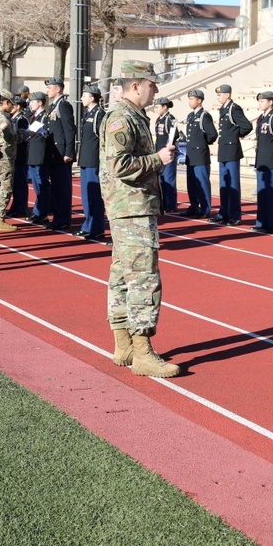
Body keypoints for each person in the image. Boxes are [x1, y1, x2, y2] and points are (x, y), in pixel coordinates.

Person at [100, 61, 180, 378]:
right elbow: (120, 165)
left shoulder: (132, 116)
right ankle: (143, 351)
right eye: (152, 84)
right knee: (143, 277)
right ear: (136, 85)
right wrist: (157, 159)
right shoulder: (122, 117)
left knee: (122, 275)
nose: (156, 90)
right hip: (131, 209)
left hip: (129, 207)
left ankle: (124, 344)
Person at [209, 84, 253, 225]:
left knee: (233, 184)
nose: (218, 97)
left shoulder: (234, 108)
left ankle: (235, 215)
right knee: (224, 184)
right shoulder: (224, 109)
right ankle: (223, 213)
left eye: (220, 95)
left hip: (231, 150)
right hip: (224, 150)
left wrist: (235, 136)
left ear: (227, 95)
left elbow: (247, 126)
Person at [77, 85, 107, 241]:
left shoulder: (99, 114)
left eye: (84, 95)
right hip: (86, 159)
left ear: (92, 98)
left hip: (94, 160)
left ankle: (97, 228)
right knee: (86, 195)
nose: (82, 98)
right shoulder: (88, 113)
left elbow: (103, 139)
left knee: (94, 196)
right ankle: (88, 225)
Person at [252, 91, 273, 234]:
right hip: (261, 162)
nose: (260, 103)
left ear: (270, 102)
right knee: (262, 193)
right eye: (259, 101)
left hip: (272, 162)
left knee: (272, 194)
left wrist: (271, 151)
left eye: (262, 101)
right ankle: (262, 222)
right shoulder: (261, 118)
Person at [46, 77, 76, 230]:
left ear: (58, 89)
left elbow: (70, 130)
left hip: (62, 153)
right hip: (54, 154)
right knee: (57, 188)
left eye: (50, 87)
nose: (47, 90)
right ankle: (58, 217)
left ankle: (63, 219)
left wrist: (69, 152)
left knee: (63, 189)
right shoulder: (53, 106)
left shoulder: (63, 106)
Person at [182, 89, 217, 218]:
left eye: (192, 99)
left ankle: (205, 208)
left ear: (199, 100)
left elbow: (212, 134)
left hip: (200, 155)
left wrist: (202, 144)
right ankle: (194, 206)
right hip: (191, 155)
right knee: (191, 183)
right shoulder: (191, 116)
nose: (190, 101)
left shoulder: (204, 116)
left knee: (202, 182)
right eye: (189, 99)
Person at [25, 91, 53, 225]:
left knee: (41, 184)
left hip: (40, 155)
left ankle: (42, 213)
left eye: (33, 102)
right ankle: (38, 211)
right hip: (33, 155)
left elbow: (47, 134)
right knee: (37, 185)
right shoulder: (34, 116)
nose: (30, 104)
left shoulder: (44, 117)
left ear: (40, 103)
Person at [0, 90, 18, 232]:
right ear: (6, 102)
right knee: (5, 187)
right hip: (5, 157)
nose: (12, 107)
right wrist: (25, 134)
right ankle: (0, 219)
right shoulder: (2, 118)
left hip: (2, 156)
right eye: (11, 104)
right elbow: (9, 137)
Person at [153, 95, 180, 213]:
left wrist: (169, 147)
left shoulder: (169, 119)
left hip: (168, 154)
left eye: (158, 107)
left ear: (165, 107)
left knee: (169, 179)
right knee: (161, 180)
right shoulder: (160, 119)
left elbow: (174, 134)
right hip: (160, 153)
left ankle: (171, 205)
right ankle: (164, 204)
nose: (156, 109)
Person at [6, 94, 30, 219]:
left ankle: (21, 208)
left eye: (14, 105)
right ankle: (15, 206)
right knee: (15, 184)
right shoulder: (13, 118)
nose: (12, 107)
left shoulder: (21, 119)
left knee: (20, 183)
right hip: (14, 154)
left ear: (19, 106)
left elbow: (23, 136)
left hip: (20, 153)